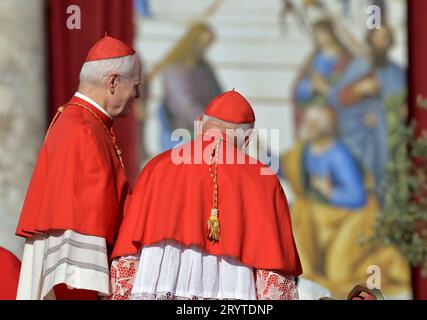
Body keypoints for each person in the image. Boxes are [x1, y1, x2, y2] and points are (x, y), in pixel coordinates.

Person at [109, 90, 301, 300]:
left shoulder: (156, 167)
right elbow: (272, 269)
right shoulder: (263, 179)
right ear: (247, 140)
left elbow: (129, 254)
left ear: (199, 124)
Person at [15, 36, 142, 300]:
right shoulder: (82, 130)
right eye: (136, 86)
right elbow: (74, 265)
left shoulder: (87, 122)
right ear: (113, 82)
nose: (137, 96)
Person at [281, 106, 411, 298]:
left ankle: (388, 260)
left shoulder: (338, 155)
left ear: (322, 127)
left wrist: (330, 191)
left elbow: (357, 197)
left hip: (351, 218)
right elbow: (284, 169)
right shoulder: (305, 151)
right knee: (299, 214)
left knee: (338, 272)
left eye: (310, 123)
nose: (305, 126)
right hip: (321, 220)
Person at [328, 25, 406, 195]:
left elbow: (404, 109)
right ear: (370, 40)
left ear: (390, 43)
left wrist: (383, 115)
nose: (380, 42)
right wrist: (358, 90)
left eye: (385, 38)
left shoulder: (397, 73)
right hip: (355, 134)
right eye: (377, 37)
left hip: (385, 137)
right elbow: (337, 98)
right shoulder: (359, 66)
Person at [149, 22, 222, 152]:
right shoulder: (175, 68)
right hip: (183, 128)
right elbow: (184, 104)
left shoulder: (203, 66)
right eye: (203, 44)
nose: (204, 49)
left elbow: (219, 95)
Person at [291, 19, 352, 135]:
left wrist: (327, 90)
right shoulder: (315, 57)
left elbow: (349, 87)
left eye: (324, 33)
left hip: (334, 111)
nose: (321, 38)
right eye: (318, 34)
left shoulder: (345, 59)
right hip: (313, 106)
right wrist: (311, 87)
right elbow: (299, 87)